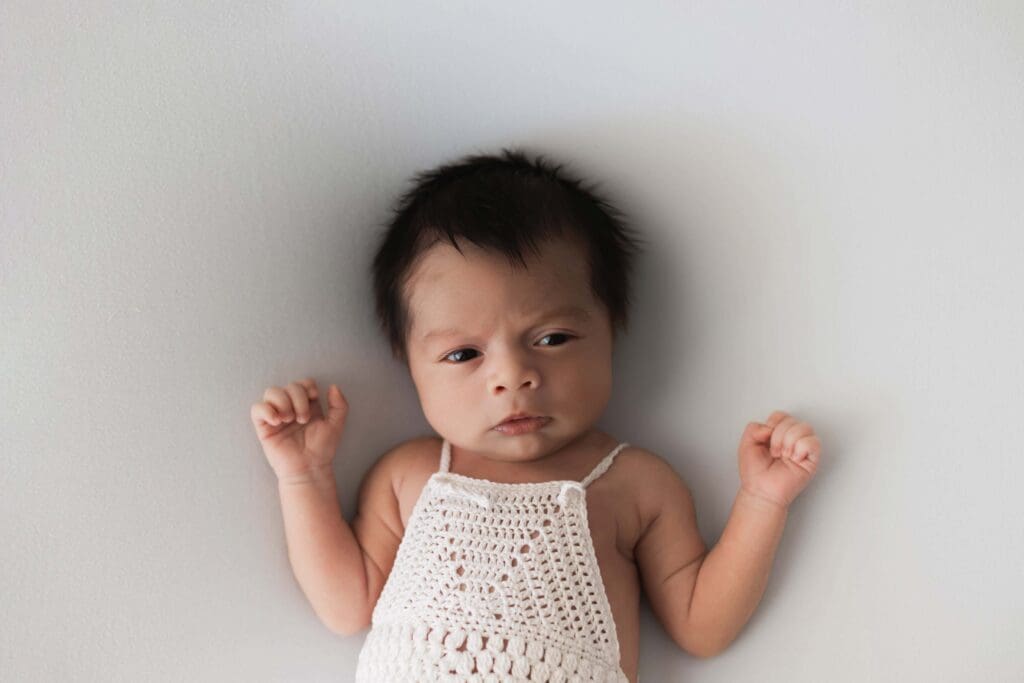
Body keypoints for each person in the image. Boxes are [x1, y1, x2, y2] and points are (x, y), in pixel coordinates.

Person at [249, 148, 822, 682]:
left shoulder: (637, 484)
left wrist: (763, 502)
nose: (511, 376)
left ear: (610, 334)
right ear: (410, 365)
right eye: (463, 354)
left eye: (551, 338)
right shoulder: (411, 475)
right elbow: (346, 606)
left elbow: (702, 626)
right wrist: (304, 477)